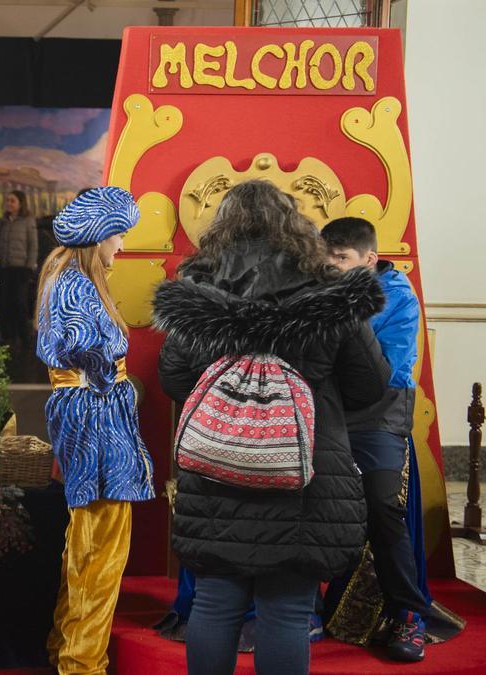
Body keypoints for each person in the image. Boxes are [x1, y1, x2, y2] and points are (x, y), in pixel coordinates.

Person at [152, 180, 390, 675]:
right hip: (307, 475)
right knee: (287, 610)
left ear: (221, 229)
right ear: (295, 226)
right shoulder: (331, 292)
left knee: (214, 603)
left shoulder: (196, 293)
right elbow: (370, 385)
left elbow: (174, 379)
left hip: (216, 472)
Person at [35, 187, 155, 674]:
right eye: (119, 234)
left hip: (90, 415)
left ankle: (67, 648)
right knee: (100, 548)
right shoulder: (76, 286)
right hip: (97, 417)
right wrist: (111, 379)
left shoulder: (66, 278)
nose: (122, 245)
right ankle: (81, 663)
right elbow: (89, 352)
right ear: (98, 235)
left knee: (88, 540)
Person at [322, 216, 429, 661]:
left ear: (370, 259)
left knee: (383, 507)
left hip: (378, 417)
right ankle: (297, 607)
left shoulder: (399, 298)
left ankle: (409, 615)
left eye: (341, 258)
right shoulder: (319, 289)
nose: (332, 266)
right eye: (326, 257)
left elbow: (389, 373)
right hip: (328, 412)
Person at [0, 190, 38, 348]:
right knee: (5, 304)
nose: (9, 203)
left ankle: (25, 338)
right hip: (4, 268)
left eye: (13, 201)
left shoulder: (28, 221)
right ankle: (8, 338)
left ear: (20, 203)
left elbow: (33, 246)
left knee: (20, 304)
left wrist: (29, 267)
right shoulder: (3, 220)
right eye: (8, 200)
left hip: (21, 269)